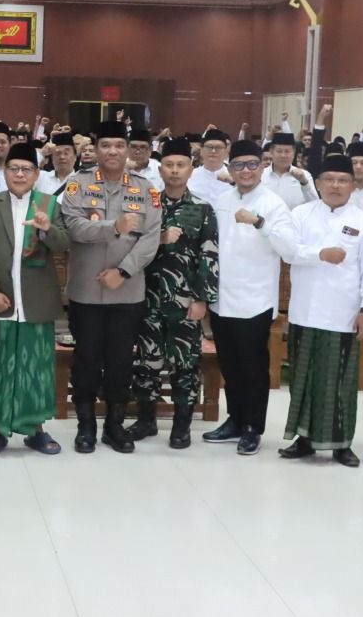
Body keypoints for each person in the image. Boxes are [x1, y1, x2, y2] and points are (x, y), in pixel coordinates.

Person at [59, 120, 163, 454]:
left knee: (120, 362)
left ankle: (115, 426)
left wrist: (124, 271)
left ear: (128, 149)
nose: (113, 151)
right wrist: (112, 227)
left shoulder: (146, 189)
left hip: (127, 291)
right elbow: (74, 227)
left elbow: (151, 238)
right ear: (96, 149)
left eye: (119, 145)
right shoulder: (78, 184)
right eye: (106, 145)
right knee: (86, 360)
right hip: (86, 291)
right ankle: (86, 426)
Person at [279, 154, 363, 466]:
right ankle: (304, 439)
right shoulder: (301, 214)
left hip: (344, 315)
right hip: (304, 312)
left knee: (341, 383)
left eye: (342, 180)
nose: (335, 185)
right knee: (304, 378)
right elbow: (289, 252)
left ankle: (342, 444)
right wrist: (320, 254)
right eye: (329, 180)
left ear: (352, 184)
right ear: (318, 183)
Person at [201, 139, 296, 454]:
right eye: (239, 165)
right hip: (222, 297)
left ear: (262, 166)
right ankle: (235, 419)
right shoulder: (222, 200)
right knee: (229, 364)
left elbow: (288, 249)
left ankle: (253, 426)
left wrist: (260, 223)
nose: (245, 171)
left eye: (252, 164)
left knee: (253, 367)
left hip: (255, 299)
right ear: (230, 168)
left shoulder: (273, 203)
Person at [0, 142, 69, 455]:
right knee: (0, 365)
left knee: (36, 366)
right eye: (14, 168)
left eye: (26, 169)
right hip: (0, 299)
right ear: (5, 172)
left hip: (36, 301)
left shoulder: (49, 204)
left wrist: (46, 229)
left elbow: (64, 243)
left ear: (36, 174)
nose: (19, 174)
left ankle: (36, 430)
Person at [128, 138, 219, 448]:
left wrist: (202, 299)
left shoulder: (202, 209)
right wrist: (160, 238)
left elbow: (209, 255)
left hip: (184, 301)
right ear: (161, 169)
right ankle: (146, 420)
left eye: (181, 165)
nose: (175, 170)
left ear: (191, 170)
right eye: (169, 165)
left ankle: (182, 425)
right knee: (147, 362)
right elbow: (131, 248)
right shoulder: (147, 207)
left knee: (185, 364)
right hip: (147, 297)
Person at [261, 130, 316, 210]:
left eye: (287, 151)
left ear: (294, 153)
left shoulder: (304, 175)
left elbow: (314, 204)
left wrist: (304, 183)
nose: (283, 155)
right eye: (279, 151)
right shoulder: (261, 175)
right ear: (271, 152)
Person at [36, 131, 79, 196]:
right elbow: (25, 171)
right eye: (58, 153)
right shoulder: (41, 177)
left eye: (66, 153)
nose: (62, 157)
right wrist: (41, 153)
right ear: (52, 157)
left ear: (75, 157)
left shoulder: (83, 182)